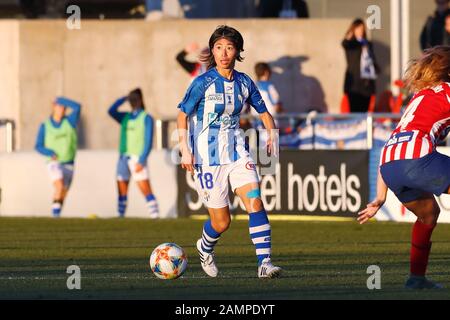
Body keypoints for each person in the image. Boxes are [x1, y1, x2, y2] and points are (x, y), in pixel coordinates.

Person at [177, 25, 282, 279]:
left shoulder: (245, 82)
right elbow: (182, 115)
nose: (224, 53)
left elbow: (264, 112)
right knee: (222, 222)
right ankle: (204, 247)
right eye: (219, 47)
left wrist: (272, 134)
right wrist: (185, 150)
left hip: (237, 153)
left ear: (237, 51)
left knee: (255, 201)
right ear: (212, 50)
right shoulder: (202, 82)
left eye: (229, 47)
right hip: (207, 158)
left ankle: (264, 263)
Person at [357, 46, 450, 289]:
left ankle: (416, 279)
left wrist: (379, 197)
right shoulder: (447, 92)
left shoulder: (418, 97)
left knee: (428, 214)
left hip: (389, 164)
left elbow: (393, 148)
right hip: (417, 158)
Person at [108, 88, 159, 219]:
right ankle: (121, 216)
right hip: (123, 157)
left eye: (134, 99)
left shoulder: (146, 117)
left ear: (140, 100)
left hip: (137, 158)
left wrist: (142, 160)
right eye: (131, 99)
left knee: (145, 188)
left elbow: (148, 141)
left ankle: (155, 216)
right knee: (122, 190)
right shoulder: (125, 117)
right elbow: (111, 111)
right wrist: (124, 98)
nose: (132, 102)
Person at [35, 96, 81, 217]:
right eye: (59, 106)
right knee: (59, 186)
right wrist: (49, 152)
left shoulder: (69, 122)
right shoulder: (45, 125)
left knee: (63, 193)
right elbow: (38, 146)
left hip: (69, 162)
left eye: (64, 107)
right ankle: (54, 216)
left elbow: (77, 107)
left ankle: (57, 214)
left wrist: (61, 99)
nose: (62, 110)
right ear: (54, 107)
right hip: (54, 162)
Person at [342, 19, 379, 113]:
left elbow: (372, 60)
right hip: (353, 84)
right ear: (353, 29)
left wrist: (376, 69)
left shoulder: (367, 44)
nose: (361, 31)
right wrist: (349, 37)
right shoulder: (351, 43)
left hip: (366, 84)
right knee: (354, 111)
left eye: (362, 29)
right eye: (358, 29)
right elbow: (345, 44)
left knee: (365, 112)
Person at [249, 62, 282, 129]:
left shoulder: (252, 86)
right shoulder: (269, 86)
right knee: (273, 139)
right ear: (266, 72)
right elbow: (277, 106)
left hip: (255, 123)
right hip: (270, 124)